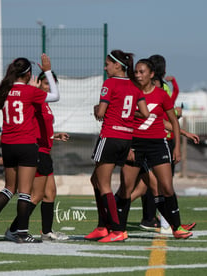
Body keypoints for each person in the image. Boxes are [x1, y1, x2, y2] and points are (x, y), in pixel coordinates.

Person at [0, 53, 60, 243]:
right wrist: (47, 71)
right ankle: (21, 233)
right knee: (24, 192)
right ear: (29, 74)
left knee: (8, 188)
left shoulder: (5, 90)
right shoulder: (30, 91)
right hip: (26, 144)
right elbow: (55, 96)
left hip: (8, 144)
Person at [118, 58, 193, 240]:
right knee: (126, 188)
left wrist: (176, 147)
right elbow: (121, 118)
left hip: (157, 145)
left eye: (142, 71)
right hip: (134, 145)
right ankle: (118, 229)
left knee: (166, 187)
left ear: (151, 74)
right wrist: (126, 146)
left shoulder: (161, 94)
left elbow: (172, 121)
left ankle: (177, 227)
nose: (138, 74)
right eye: (136, 71)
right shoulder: (130, 93)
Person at [84, 50, 149, 243]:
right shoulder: (135, 86)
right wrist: (125, 114)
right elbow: (145, 114)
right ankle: (103, 226)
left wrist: (97, 109)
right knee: (95, 179)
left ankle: (117, 228)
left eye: (108, 64)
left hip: (110, 135)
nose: (105, 68)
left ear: (117, 66)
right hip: (126, 137)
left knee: (103, 184)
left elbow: (101, 113)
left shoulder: (110, 83)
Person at [5, 71, 70, 242]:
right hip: (37, 152)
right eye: (47, 83)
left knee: (50, 193)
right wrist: (29, 89)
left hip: (45, 151)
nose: (49, 86)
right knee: (36, 195)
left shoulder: (44, 103)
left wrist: (54, 136)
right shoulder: (33, 100)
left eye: (52, 83)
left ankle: (46, 231)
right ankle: (14, 230)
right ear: (39, 83)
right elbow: (26, 124)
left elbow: (39, 128)